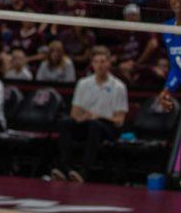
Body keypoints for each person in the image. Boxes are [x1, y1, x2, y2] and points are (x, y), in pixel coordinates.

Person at [49, 48, 127, 182]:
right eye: (96, 62)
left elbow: (119, 120)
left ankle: (84, 171)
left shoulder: (119, 87)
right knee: (66, 122)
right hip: (86, 123)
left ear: (109, 63)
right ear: (92, 64)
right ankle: (66, 168)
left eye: (103, 61)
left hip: (107, 126)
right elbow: (75, 112)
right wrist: (82, 117)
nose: (100, 65)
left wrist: (99, 116)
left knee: (94, 125)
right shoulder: (83, 83)